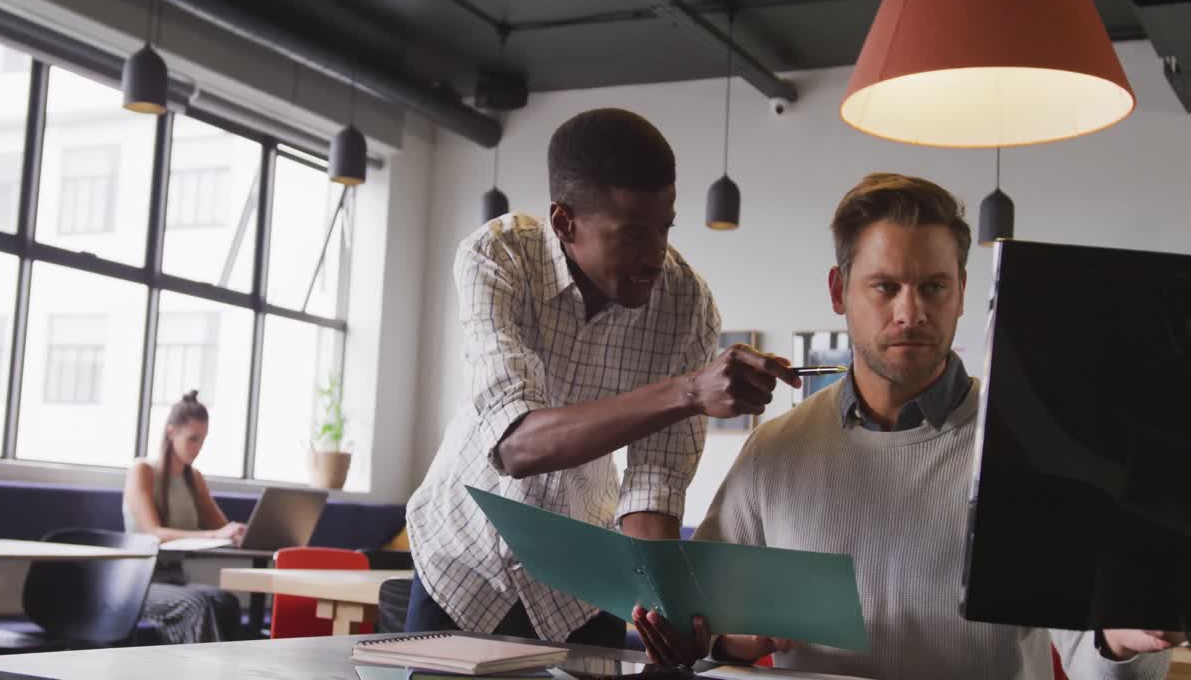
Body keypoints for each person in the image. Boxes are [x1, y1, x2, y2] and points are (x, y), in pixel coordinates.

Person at [632, 173, 1176, 679]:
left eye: (933, 287)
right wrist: (725, 640)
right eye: (885, 287)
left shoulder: (1036, 451)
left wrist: (1119, 641)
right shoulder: (773, 451)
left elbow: (1090, 656)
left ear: (962, 291)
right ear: (838, 291)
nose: (910, 311)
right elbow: (701, 623)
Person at [405, 108, 800, 648]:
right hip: (462, 565)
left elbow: (654, 483)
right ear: (565, 222)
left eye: (665, 228)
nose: (655, 255)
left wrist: (665, 603)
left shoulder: (686, 303)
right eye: (633, 234)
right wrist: (687, 392)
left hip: (581, 587)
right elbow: (516, 444)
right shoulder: (497, 257)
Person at [123, 390, 245, 644]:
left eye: (202, 440)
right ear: (171, 433)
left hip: (175, 578)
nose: (198, 448)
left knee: (227, 602)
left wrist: (237, 533)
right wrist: (215, 534)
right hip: (139, 582)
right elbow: (153, 532)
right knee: (195, 605)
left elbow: (220, 527)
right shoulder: (142, 471)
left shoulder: (194, 479)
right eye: (193, 439)